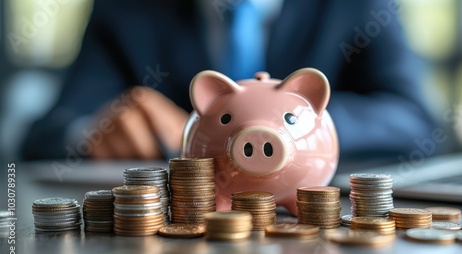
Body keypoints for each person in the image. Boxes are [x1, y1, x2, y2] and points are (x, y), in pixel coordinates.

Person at [22, 0, 437, 164]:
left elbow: (415, 119)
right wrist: (96, 131)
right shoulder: (126, 9)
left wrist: (287, 124)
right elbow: (47, 134)